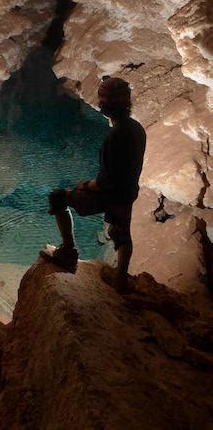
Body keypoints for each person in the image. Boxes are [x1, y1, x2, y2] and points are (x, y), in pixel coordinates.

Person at [40, 76, 146, 293]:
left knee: (58, 197)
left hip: (110, 194)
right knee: (122, 234)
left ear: (107, 106)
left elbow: (105, 182)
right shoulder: (137, 128)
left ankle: (68, 252)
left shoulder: (114, 137)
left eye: (102, 101)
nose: (100, 105)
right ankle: (120, 279)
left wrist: (85, 186)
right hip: (128, 193)